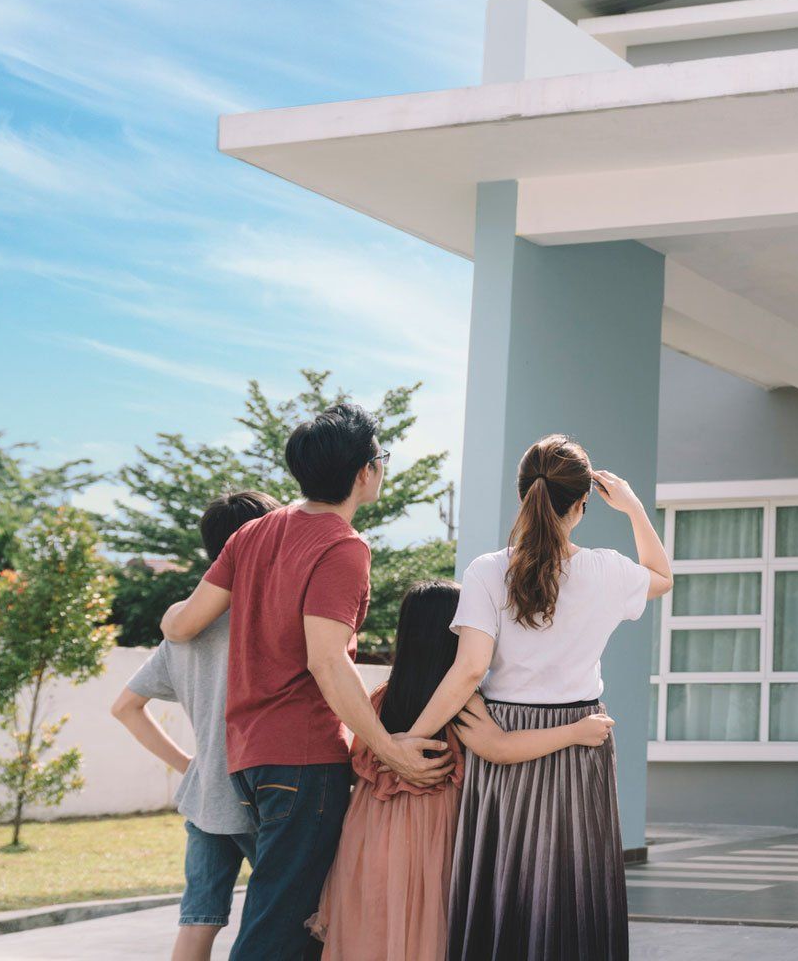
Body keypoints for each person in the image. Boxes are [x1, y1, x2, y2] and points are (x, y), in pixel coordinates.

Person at [160, 403, 450, 961]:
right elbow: (327, 660)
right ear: (365, 471)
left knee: (290, 922)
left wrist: (172, 615)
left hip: (247, 758)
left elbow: (184, 623)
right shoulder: (342, 546)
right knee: (280, 927)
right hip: (302, 758)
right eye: (381, 458)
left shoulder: (251, 533)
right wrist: (390, 751)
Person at [402, 435, 671, 961]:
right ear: (583, 505)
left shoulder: (485, 570)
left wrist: (411, 738)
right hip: (581, 739)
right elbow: (662, 576)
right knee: (572, 889)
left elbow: (469, 669)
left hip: (502, 736)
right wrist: (635, 507)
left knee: (505, 882)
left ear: (523, 494)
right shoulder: (606, 569)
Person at [310, 579, 617, 961]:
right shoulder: (462, 702)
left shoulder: (381, 698)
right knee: (430, 933)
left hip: (371, 837)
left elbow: (359, 763)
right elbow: (501, 749)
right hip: (438, 836)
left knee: (375, 929)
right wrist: (575, 731)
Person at [111, 490, 281, 961]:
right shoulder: (271, 617)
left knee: (197, 923)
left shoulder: (184, 627)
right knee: (285, 918)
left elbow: (125, 706)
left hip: (206, 797)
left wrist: (192, 765)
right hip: (264, 792)